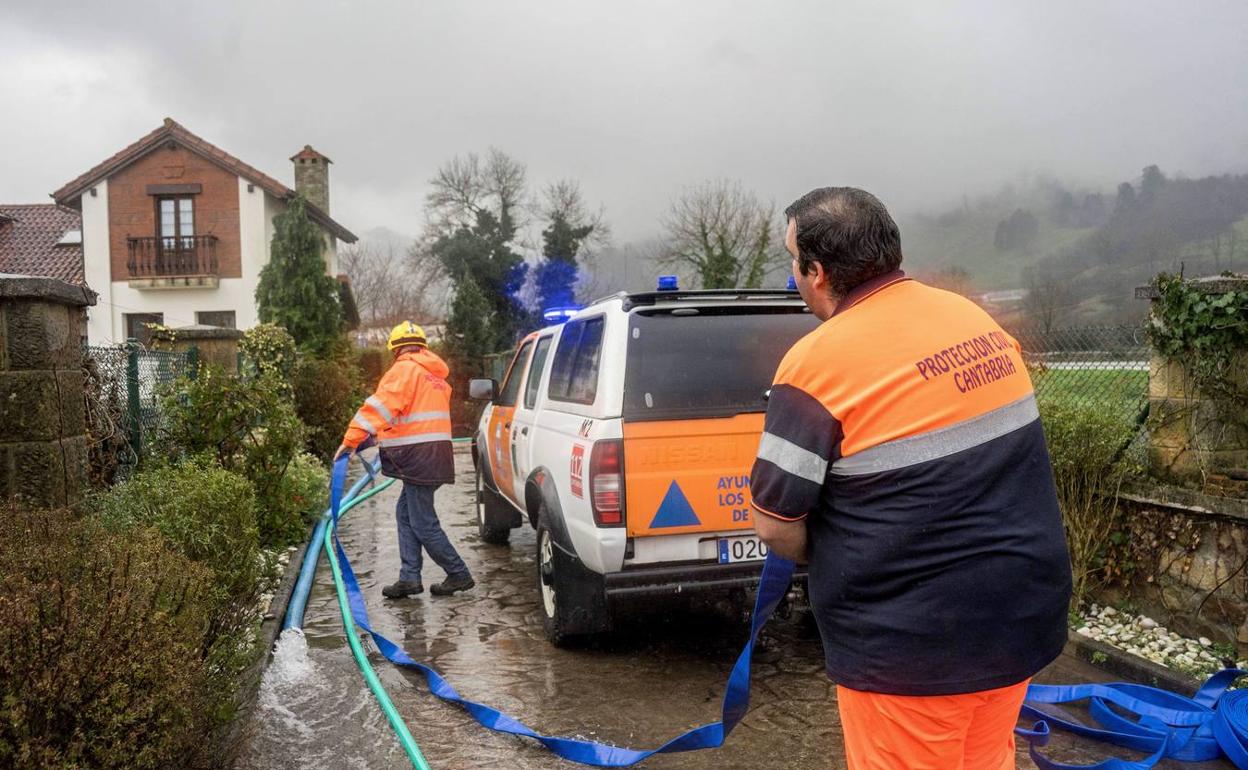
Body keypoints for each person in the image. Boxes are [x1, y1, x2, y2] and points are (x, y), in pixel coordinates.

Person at [750, 187, 1071, 770]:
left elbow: (774, 527)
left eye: (792, 260)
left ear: (817, 273)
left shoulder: (814, 364)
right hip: (1020, 618)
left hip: (914, 651)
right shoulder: (971, 318)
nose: (792, 274)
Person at [336, 321, 474, 598]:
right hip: (435, 453)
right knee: (405, 513)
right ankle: (409, 578)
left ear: (395, 349)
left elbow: (378, 409)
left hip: (418, 456)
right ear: (422, 347)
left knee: (422, 521)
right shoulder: (433, 377)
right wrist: (375, 439)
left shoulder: (403, 370)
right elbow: (409, 419)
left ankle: (458, 573)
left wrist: (350, 441)